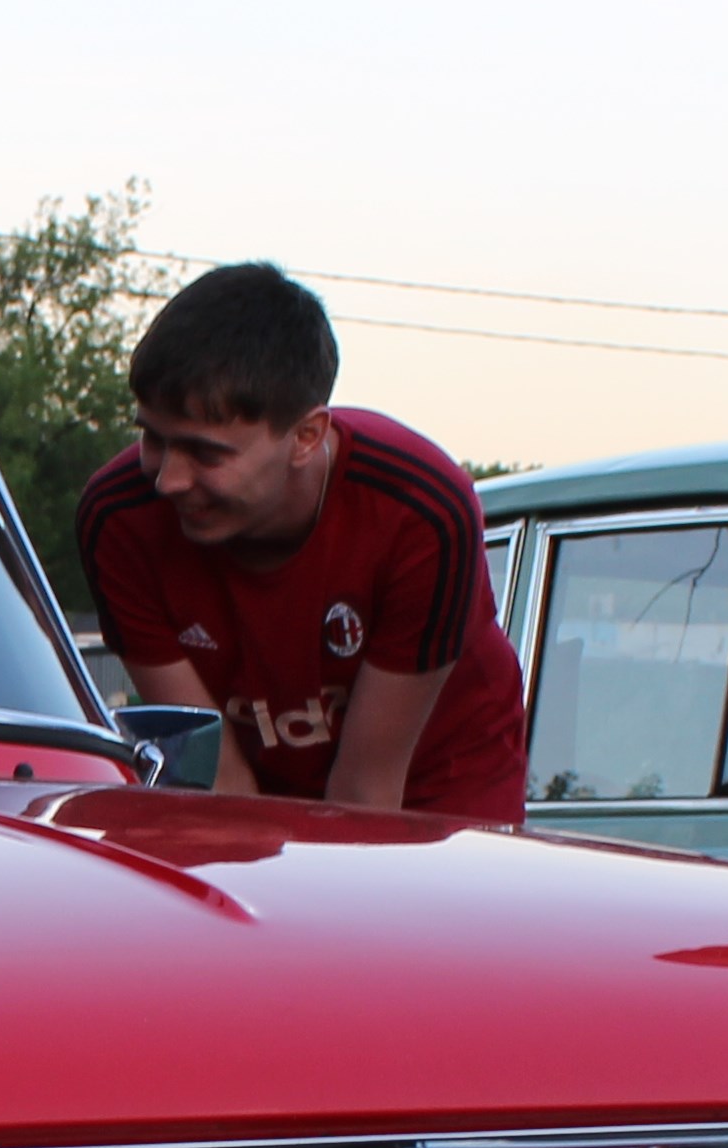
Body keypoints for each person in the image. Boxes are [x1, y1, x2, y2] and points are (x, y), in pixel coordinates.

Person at [78, 266, 529, 818]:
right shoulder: (117, 518)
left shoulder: (421, 512)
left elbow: (366, 790)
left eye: (206, 453)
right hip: (259, 769)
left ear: (306, 436)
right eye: (152, 437)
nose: (168, 480)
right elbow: (213, 772)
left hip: (434, 785)